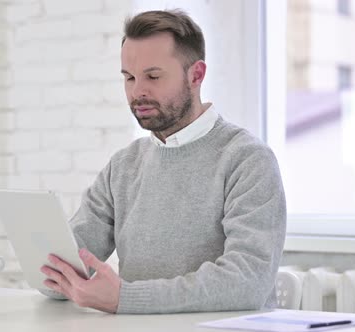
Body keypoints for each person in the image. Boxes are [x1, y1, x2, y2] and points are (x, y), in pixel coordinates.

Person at [39, 9, 286, 314]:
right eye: (129, 78)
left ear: (196, 75)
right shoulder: (124, 165)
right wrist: (53, 272)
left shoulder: (247, 159)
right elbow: (65, 266)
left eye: (153, 76)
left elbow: (248, 281)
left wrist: (126, 298)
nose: (137, 91)